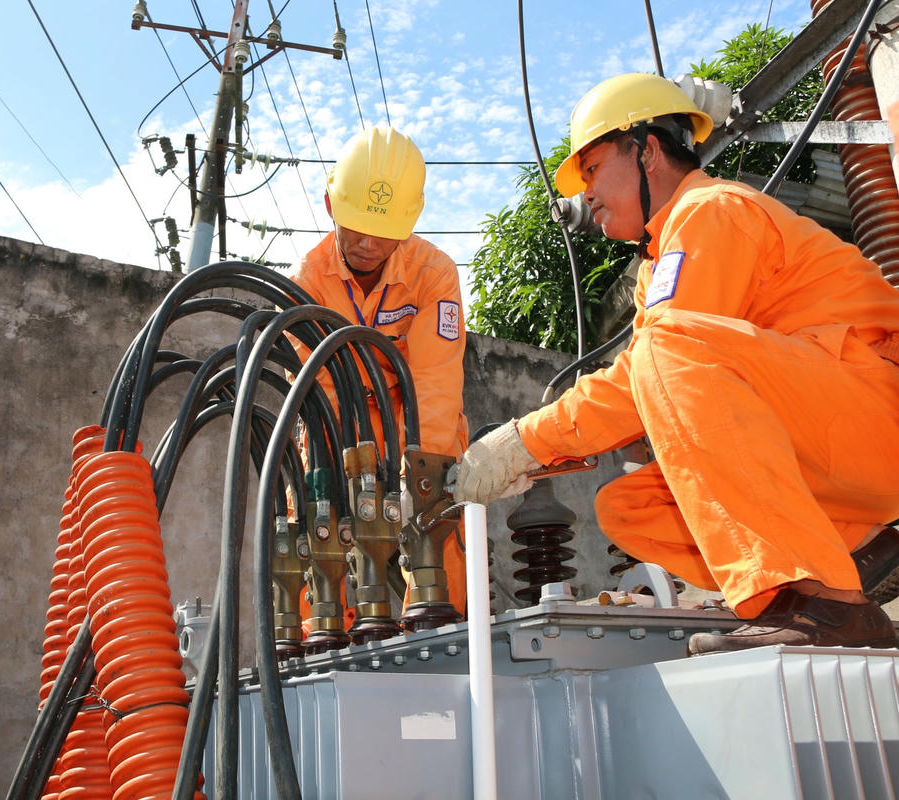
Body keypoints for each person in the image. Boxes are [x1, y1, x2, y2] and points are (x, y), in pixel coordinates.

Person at [455, 72, 899, 655]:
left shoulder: (712, 211)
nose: (585, 193)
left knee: (669, 349)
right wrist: (553, 452)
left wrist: (523, 441)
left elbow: (660, 360)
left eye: (591, 169)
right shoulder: (659, 263)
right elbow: (655, 387)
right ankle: (843, 563)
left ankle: (822, 599)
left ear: (647, 150)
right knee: (631, 505)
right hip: (831, 438)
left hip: (874, 417)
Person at [289, 124, 470, 615]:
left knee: (440, 500)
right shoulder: (305, 283)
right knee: (316, 513)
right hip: (338, 417)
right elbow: (316, 390)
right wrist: (350, 475)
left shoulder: (433, 273)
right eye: (356, 225)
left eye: (384, 230)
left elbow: (435, 382)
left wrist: (419, 478)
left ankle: (438, 621)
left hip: (410, 414)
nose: (368, 242)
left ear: (408, 225)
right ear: (330, 206)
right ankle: (324, 635)